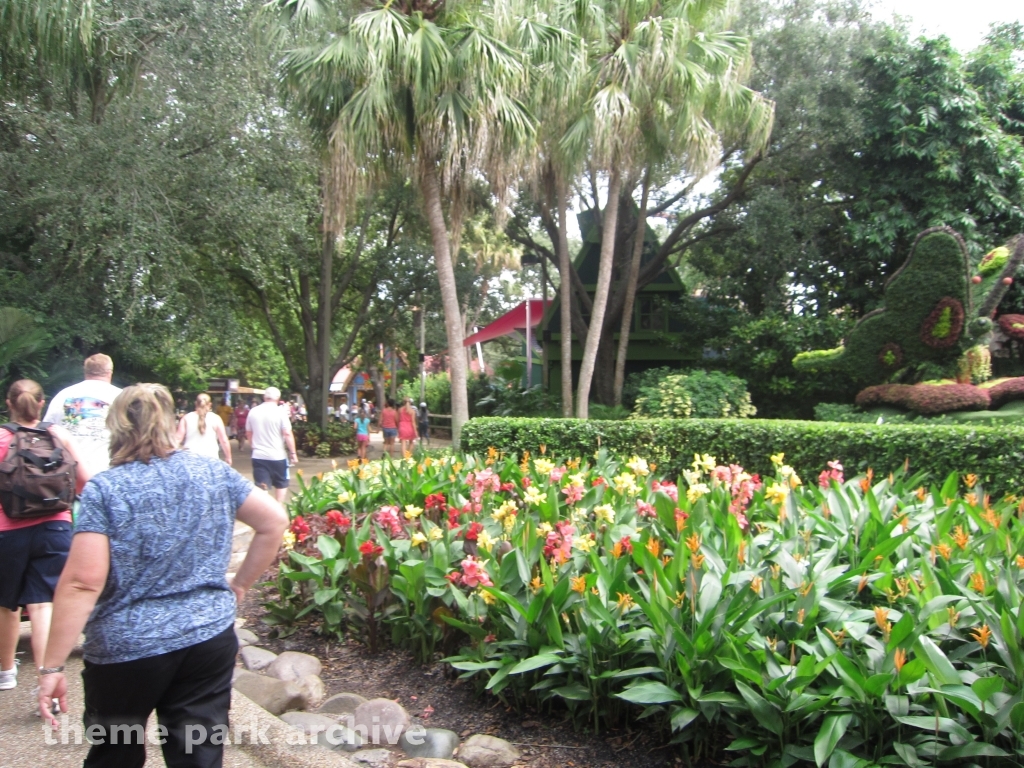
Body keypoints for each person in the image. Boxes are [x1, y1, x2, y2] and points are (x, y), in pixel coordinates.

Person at [35, 383, 288, 768]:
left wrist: (52, 667)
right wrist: (238, 585)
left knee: (115, 750)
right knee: (198, 754)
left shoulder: (107, 489)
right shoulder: (213, 473)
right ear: (171, 421)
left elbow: (83, 582)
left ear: (116, 427)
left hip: (126, 649)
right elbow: (274, 521)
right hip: (207, 640)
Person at [0, 380, 92, 695]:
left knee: (6, 605)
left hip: (7, 531)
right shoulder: (59, 436)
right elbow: (84, 482)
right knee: (42, 605)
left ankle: (6, 672)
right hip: (56, 528)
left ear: (9, 403)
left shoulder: (1, 438)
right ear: (41, 404)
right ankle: (46, 681)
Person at [42, 353, 122, 476]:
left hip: (68, 474)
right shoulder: (122, 397)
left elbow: (46, 433)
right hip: (107, 473)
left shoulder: (63, 395)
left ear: (85, 372)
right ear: (110, 372)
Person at [246, 387, 299, 503]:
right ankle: (278, 507)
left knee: (262, 490)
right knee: (281, 485)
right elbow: (287, 434)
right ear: (278, 398)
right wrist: (293, 453)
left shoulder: (253, 411)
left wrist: (253, 446)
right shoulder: (281, 412)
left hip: (259, 456)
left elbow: (249, 433)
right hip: (278, 456)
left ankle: (263, 513)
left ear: (264, 397)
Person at [176, 393, 232, 465]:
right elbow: (224, 440)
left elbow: (177, 439)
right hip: (211, 460)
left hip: (190, 461)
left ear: (196, 403)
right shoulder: (215, 418)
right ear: (210, 405)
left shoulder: (186, 418)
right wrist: (228, 457)